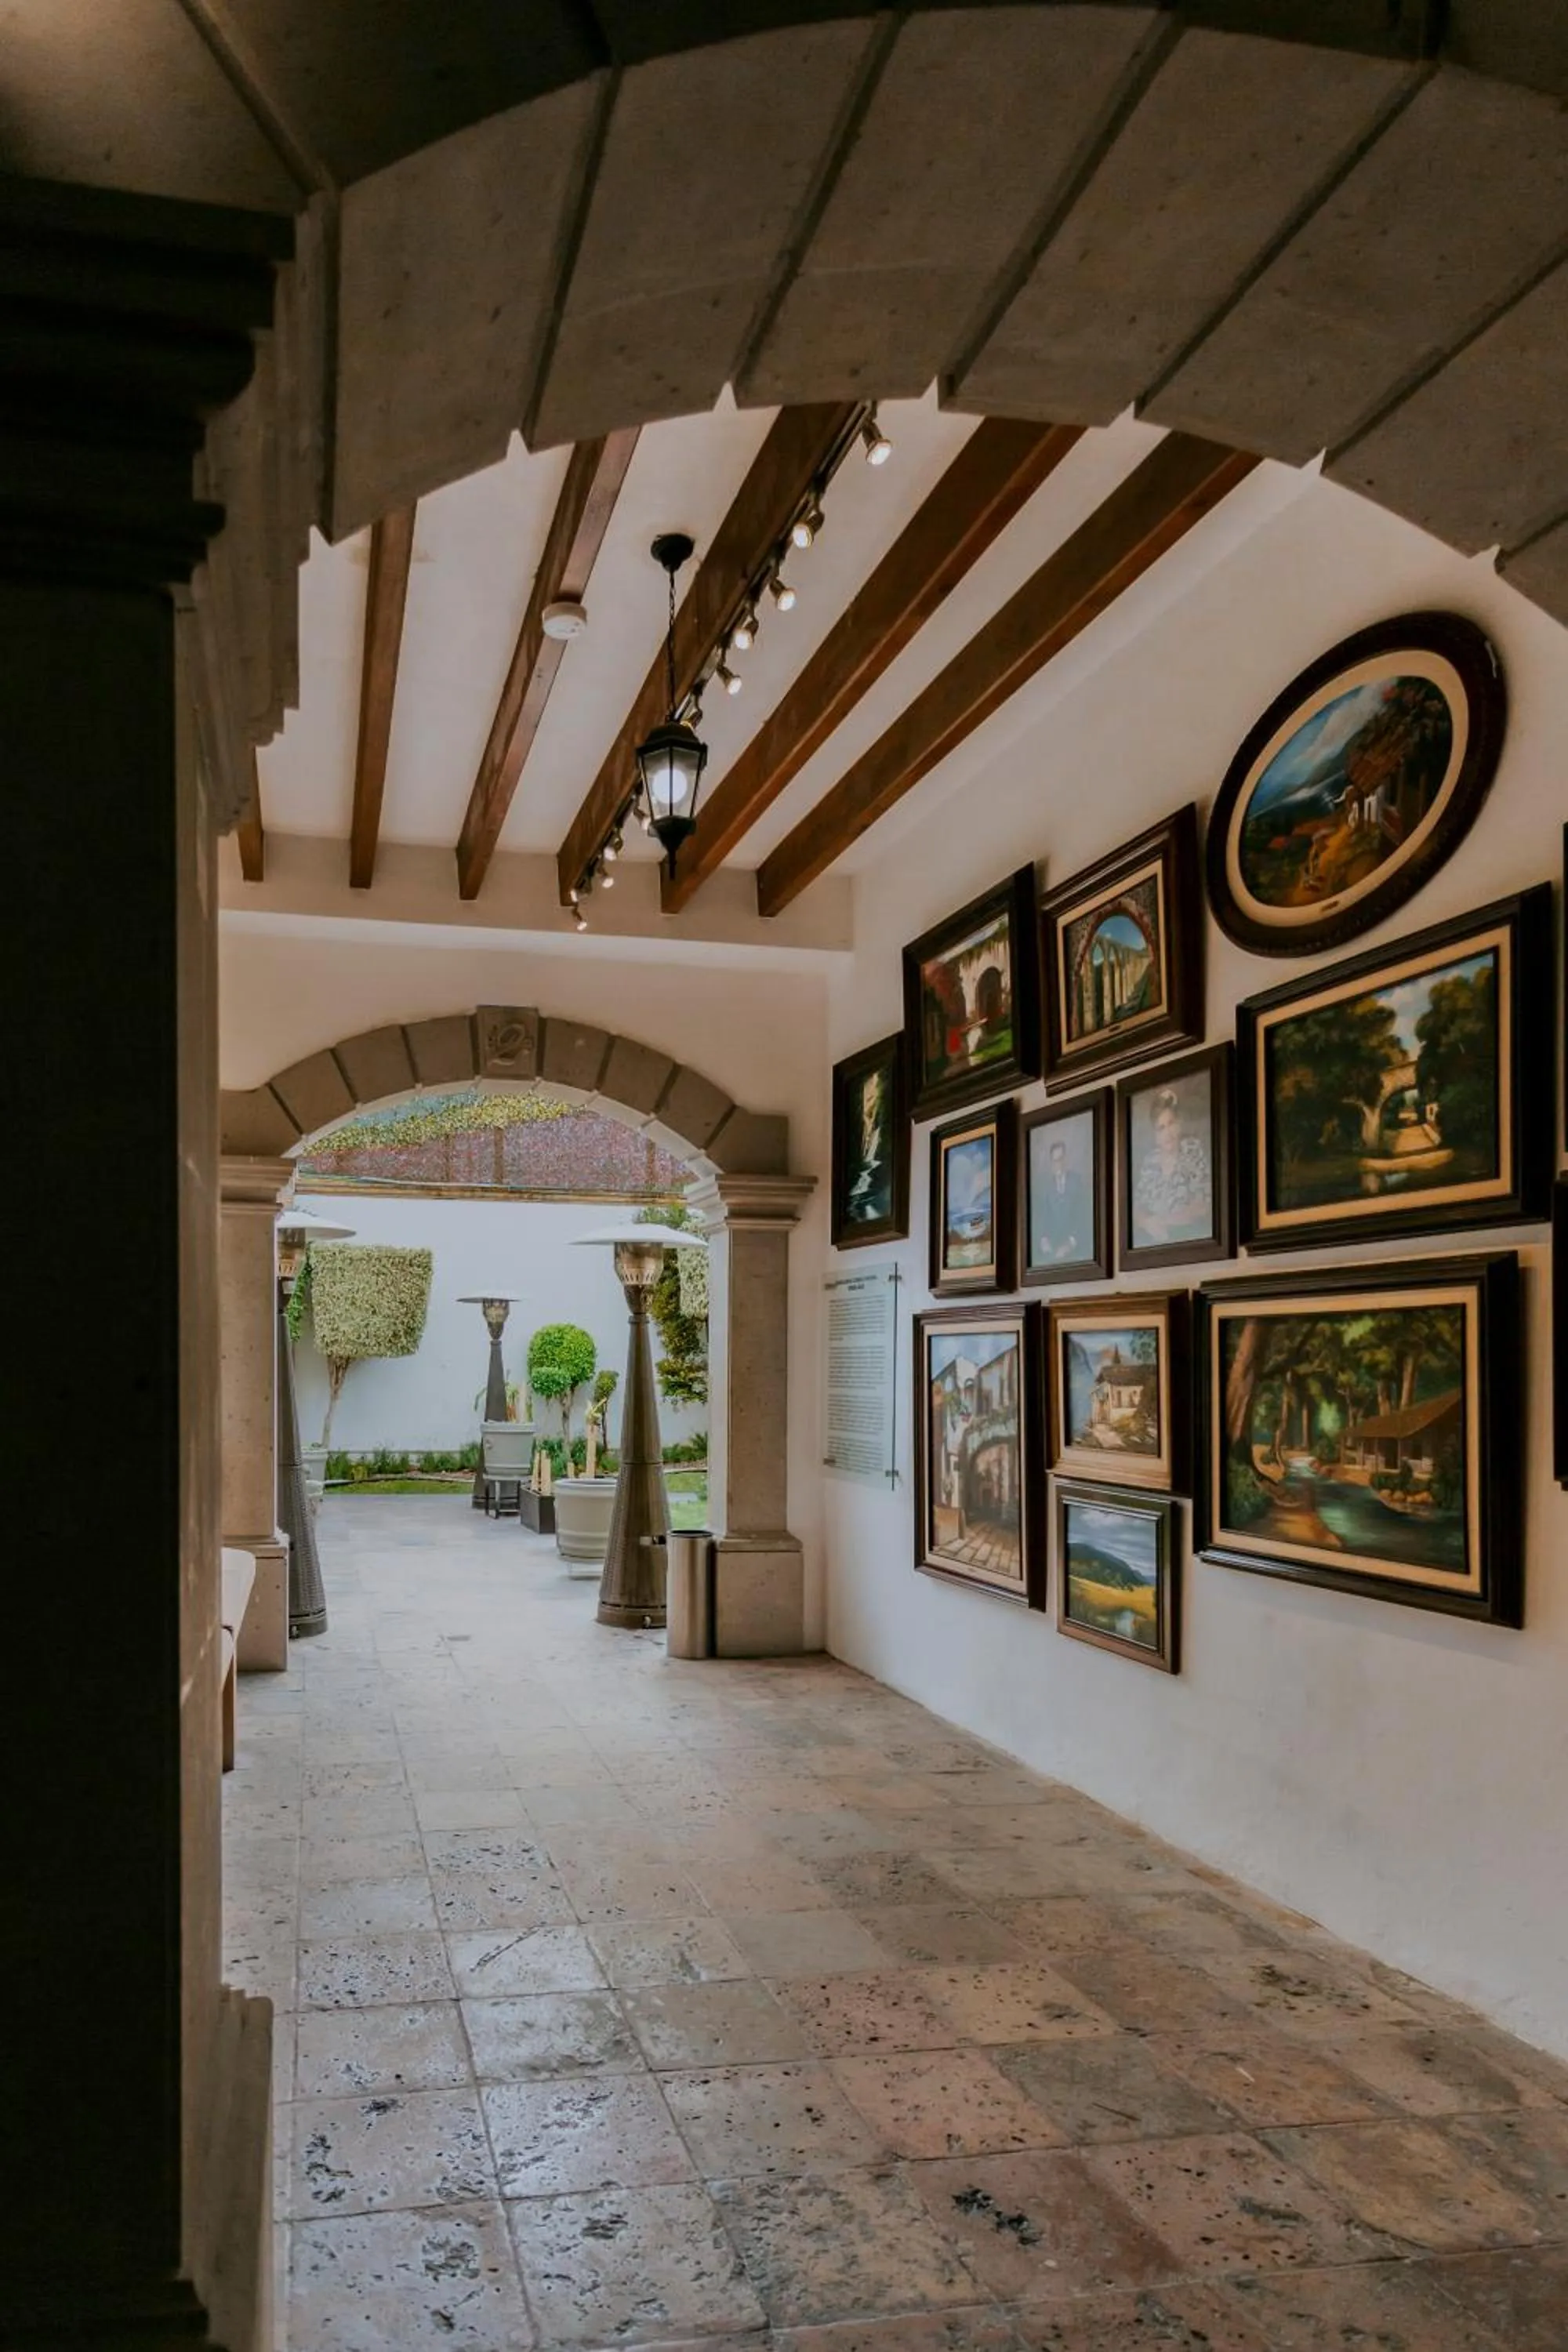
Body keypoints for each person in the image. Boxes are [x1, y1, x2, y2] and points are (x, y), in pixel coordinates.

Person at [1134, 1085, 1211, 1246]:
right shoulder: (1150, 1161)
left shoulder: (1192, 1151)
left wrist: (1163, 1221)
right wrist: (1148, 1223)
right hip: (1153, 1239)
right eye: (1161, 1128)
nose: (1168, 1133)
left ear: (1179, 1124)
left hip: (1187, 1239)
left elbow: (1202, 1205)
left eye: (1171, 1124)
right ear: (1155, 1135)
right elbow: (1136, 1208)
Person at [1034, 1132, 1091, 1265]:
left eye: (1060, 1159)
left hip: (1076, 1246)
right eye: (1055, 1161)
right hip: (1054, 1247)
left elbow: (1084, 1219)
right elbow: (1044, 1218)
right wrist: (1044, 1239)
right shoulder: (1047, 1187)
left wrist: (1070, 1244)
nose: (1058, 1164)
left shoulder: (1078, 1182)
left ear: (1066, 1160)